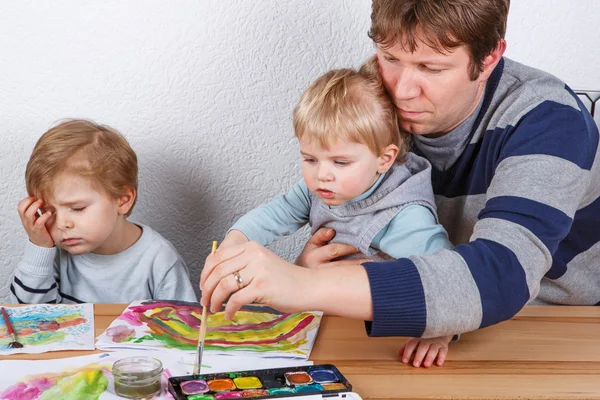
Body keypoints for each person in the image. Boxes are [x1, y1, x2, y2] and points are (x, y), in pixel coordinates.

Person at [200, 0, 600, 369]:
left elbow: (502, 274)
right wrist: (312, 271)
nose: (403, 90)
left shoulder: (549, 119)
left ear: (490, 56)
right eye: (390, 57)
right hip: (410, 324)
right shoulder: (375, 94)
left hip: (549, 324)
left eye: (431, 68)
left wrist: (305, 283)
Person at [219, 67, 455, 366]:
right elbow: (274, 214)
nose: (322, 175)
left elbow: (449, 278)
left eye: (340, 162)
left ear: (384, 159)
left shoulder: (403, 215)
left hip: (375, 340)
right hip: (322, 324)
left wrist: (440, 332)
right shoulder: (320, 188)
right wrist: (234, 243)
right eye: (310, 159)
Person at [11, 119, 197, 304]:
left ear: (123, 200)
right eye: (49, 211)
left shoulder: (159, 260)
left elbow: (184, 327)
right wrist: (39, 248)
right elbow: (26, 320)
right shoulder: (54, 254)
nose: (62, 224)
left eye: (78, 208)